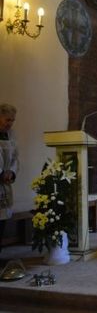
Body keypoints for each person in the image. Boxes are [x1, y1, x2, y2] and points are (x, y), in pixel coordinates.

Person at [0, 104, 18, 251]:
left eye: (12, 120)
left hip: (5, 183)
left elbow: (15, 158)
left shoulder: (10, 134)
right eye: (7, 119)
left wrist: (11, 172)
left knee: (2, 222)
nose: (10, 123)